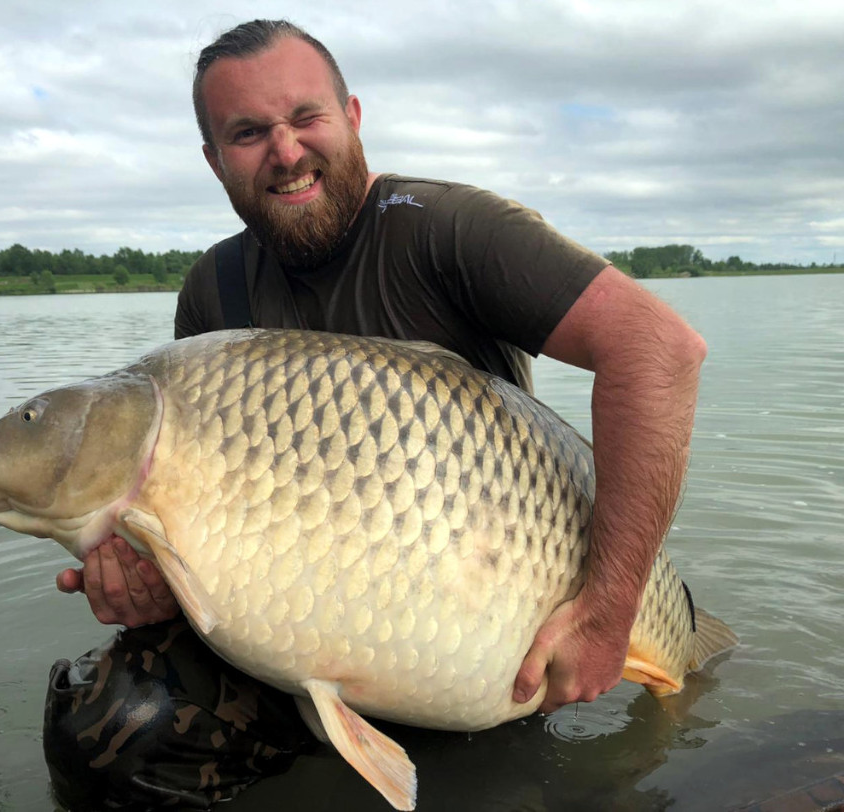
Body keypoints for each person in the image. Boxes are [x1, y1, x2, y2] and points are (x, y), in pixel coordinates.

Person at [47, 18, 707, 808]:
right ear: (213, 159)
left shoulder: (450, 231)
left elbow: (660, 352)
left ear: (352, 116)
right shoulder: (213, 294)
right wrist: (161, 591)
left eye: (305, 118)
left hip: (496, 626)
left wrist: (608, 610)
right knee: (106, 730)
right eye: (249, 133)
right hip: (301, 642)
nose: (286, 151)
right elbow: (215, 531)